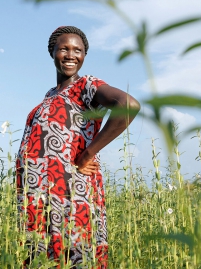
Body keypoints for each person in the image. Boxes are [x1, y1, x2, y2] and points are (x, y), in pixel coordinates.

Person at [16, 26, 140, 268]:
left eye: (78, 50)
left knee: (74, 252)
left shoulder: (86, 86)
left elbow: (128, 105)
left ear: (84, 56)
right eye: (64, 49)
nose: (71, 55)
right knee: (40, 255)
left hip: (70, 189)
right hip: (38, 193)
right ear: (52, 52)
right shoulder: (50, 94)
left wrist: (88, 153)